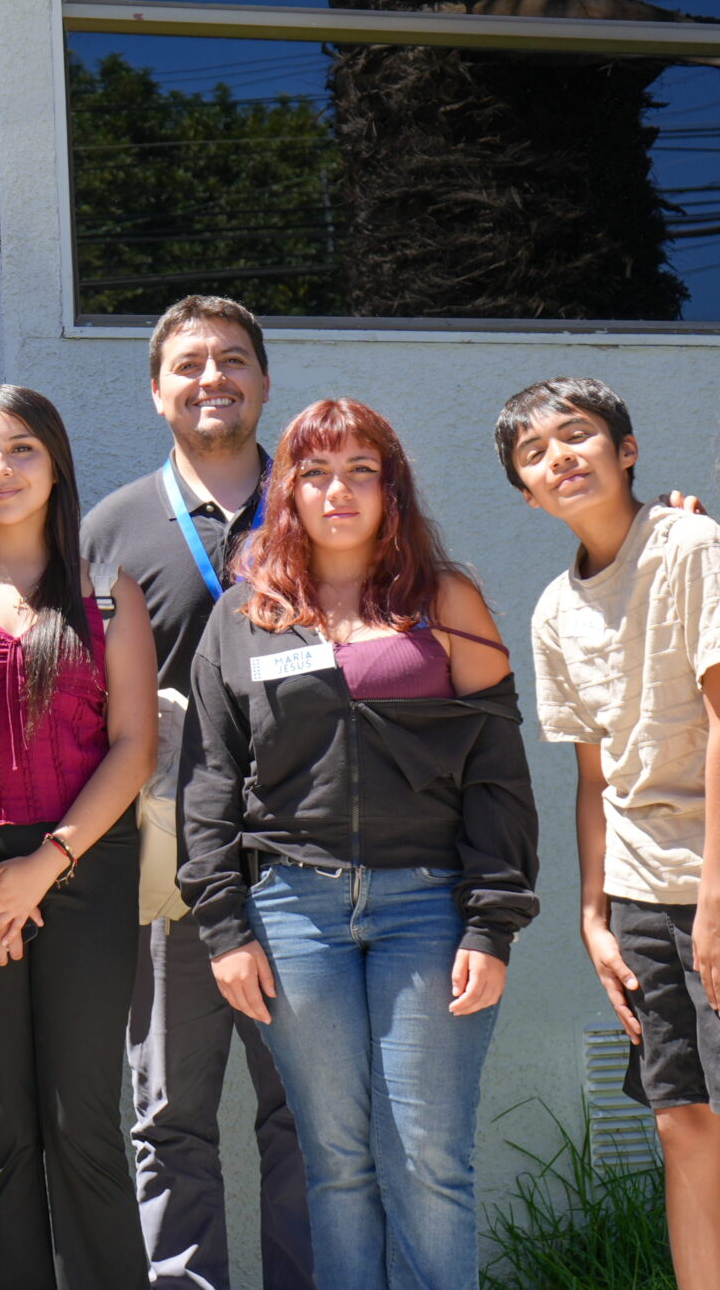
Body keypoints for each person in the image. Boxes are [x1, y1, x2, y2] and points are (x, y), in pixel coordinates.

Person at [501, 377, 720, 1290]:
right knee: (683, 1125)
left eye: (576, 435)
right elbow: (594, 777)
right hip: (639, 896)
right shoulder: (551, 611)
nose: (558, 457)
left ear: (627, 450)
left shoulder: (691, 546)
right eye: (534, 454)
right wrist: (592, 914)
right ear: (526, 492)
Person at [180, 397, 538, 1290]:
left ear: (391, 488)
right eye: (316, 471)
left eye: (361, 471)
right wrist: (225, 929)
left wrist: (491, 924)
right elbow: (211, 781)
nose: (338, 490)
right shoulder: (245, 616)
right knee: (335, 1163)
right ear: (288, 488)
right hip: (293, 912)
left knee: (426, 1157)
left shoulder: (446, 600)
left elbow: (498, 774)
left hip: (431, 908)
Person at [78, 294, 312, 1290]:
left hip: (307, 850)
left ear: (263, 379)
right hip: (166, 856)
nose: (210, 377)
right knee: (169, 1111)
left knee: (305, 1109)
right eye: (188, 364)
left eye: (231, 359)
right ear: (155, 389)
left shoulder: (322, 505)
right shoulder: (113, 528)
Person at [0, 385, 159, 1288]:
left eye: (21, 449)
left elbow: (135, 745)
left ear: (56, 461)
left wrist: (46, 865)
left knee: (83, 1122)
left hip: (87, 866)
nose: (1, 470)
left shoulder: (109, 593)